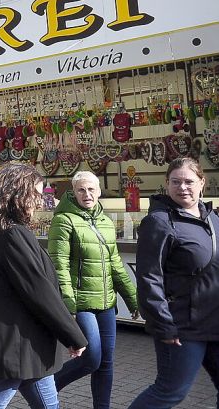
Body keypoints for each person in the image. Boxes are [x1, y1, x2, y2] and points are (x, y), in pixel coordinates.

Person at [0, 162, 86, 409]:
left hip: (23, 345)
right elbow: (39, 291)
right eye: (36, 195)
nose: (39, 202)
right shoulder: (11, 234)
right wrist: (73, 335)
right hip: (11, 346)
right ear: (17, 195)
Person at [129, 157, 219, 408]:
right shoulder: (159, 222)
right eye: (175, 182)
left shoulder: (211, 219)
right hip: (182, 327)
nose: (183, 187)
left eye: (189, 181)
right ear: (166, 184)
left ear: (202, 183)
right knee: (170, 392)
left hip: (214, 322)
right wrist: (163, 324)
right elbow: (149, 278)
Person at [48, 170, 139, 409]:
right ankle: (47, 390)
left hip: (107, 303)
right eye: (81, 189)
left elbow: (116, 265)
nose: (86, 194)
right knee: (92, 357)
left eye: (91, 189)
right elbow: (59, 266)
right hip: (81, 303)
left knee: (106, 362)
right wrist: (68, 306)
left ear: (99, 192)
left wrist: (133, 301)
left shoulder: (105, 221)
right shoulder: (64, 219)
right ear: (73, 192)